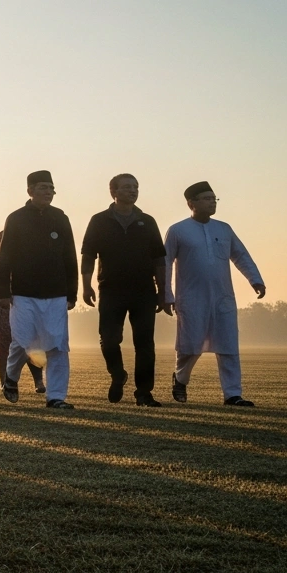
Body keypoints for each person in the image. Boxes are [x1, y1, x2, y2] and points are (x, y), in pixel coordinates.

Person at [164, 181, 267, 407]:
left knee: (228, 345)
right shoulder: (178, 230)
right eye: (207, 198)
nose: (212, 202)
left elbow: (241, 255)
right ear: (191, 203)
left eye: (214, 199)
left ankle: (233, 395)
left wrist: (255, 280)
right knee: (190, 346)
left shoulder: (224, 229)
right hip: (191, 298)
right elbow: (166, 263)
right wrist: (166, 294)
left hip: (223, 297)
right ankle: (180, 379)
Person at [81, 174, 168, 406]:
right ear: (114, 192)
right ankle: (117, 374)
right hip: (110, 290)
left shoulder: (147, 221)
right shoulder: (99, 220)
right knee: (109, 340)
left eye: (136, 187)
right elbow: (88, 255)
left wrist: (163, 290)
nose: (133, 191)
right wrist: (86, 285)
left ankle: (144, 393)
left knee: (145, 344)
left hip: (144, 291)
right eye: (127, 187)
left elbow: (160, 259)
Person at [0, 170, 79, 409]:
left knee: (57, 346)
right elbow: (5, 257)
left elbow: (69, 257)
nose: (49, 192)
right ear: (30, 190)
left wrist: (72, 293)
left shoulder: (60, 218)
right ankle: (11, 378)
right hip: (23, 293)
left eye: (52, 188)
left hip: (56, 294)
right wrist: (3, 290)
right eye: (43, 187)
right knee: (23, 343)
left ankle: (55, 397)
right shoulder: (16, 218)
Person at [0, 232, 44, 392]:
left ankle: (25, 382)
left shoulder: (1, 262)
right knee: (16, 347)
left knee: (15, 347)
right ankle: (21, 382)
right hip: (8, 310)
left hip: (11, 309)